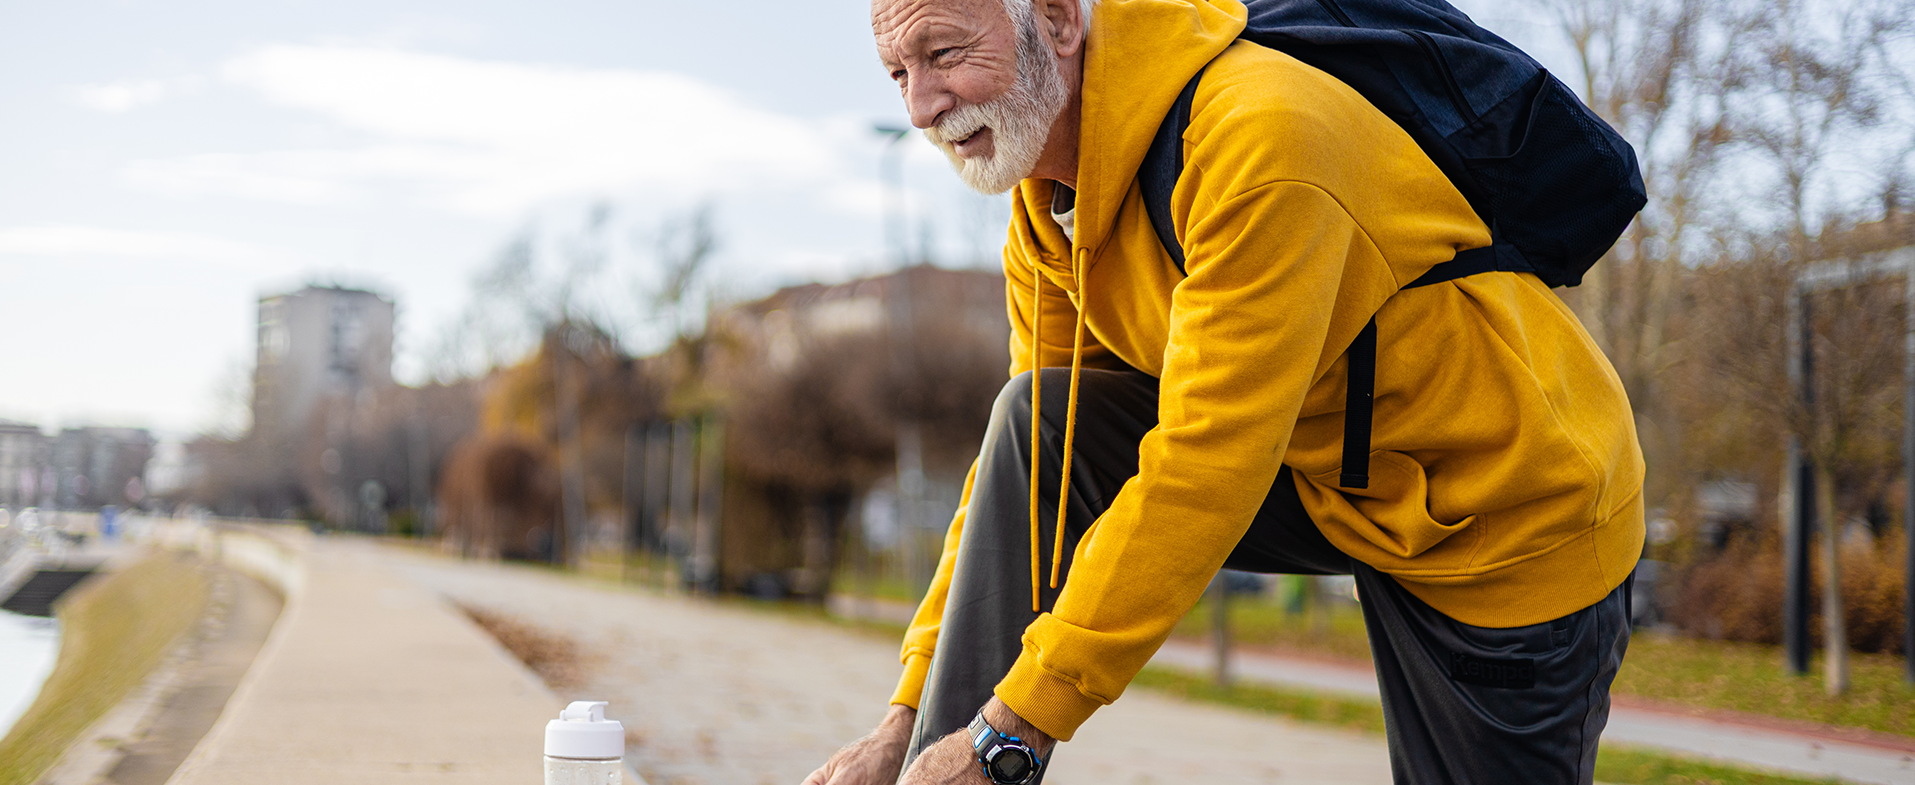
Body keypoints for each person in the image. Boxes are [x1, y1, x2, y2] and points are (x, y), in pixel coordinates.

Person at [805, 0, 1644, 782]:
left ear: (1057, 19)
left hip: (1505, 514)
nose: (920, 108)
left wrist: (1009, 734)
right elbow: (1025, 488)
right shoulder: (1049, 212)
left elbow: (1202, 468)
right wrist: (907, 713)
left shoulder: (1257, 140)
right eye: (896, 74)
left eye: (943, 53)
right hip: (1334, 478)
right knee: (1037, 421)